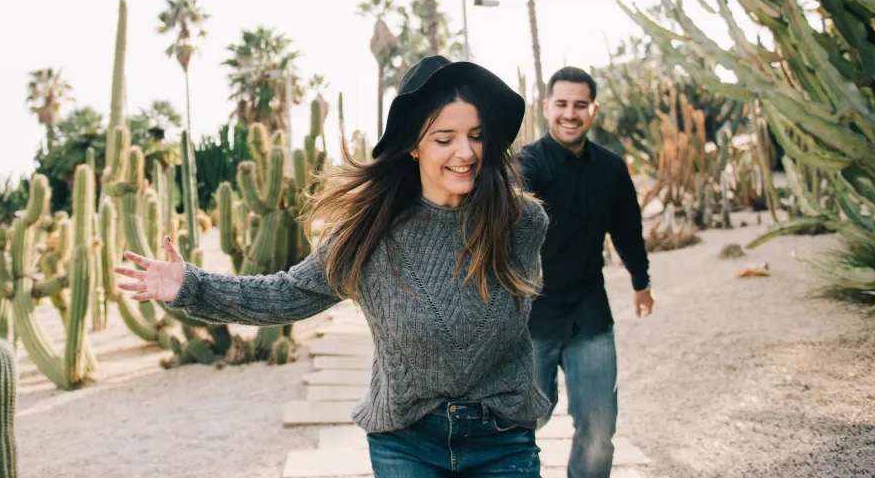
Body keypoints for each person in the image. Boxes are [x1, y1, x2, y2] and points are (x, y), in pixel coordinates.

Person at [115, 55, 552, 477]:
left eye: (476, 135)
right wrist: (192, 286)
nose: (465, 151)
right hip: (408, 441)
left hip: (502, 438)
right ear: (413, 147)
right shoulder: (369, 235)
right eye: (444, 138)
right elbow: (287, 294)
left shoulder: (520, 223)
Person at [518, 66, 653, 478]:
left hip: (589, 315)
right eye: (562, 104)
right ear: (547, 108)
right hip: (532, 318)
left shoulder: (611, 169)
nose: (570, 114)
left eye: (580, 105)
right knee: (527, 423)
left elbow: (628, 230)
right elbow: (505, 223)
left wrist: (641, 283)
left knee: (598, 430)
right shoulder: (527, 165)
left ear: (593, 111)